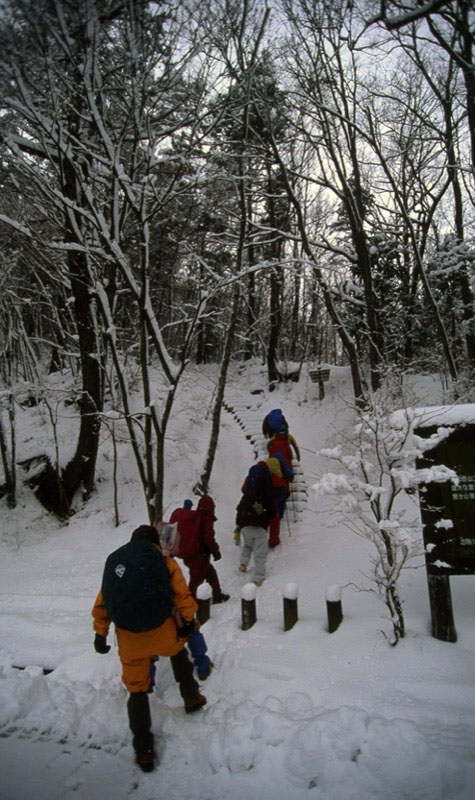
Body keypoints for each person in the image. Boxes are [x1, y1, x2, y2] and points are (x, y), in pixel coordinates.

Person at [92, 524, 206, 773]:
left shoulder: (119, 563)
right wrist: (187, 623)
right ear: (155, 541)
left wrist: (100, 634)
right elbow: (182, 595)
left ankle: (143, 750)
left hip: (130, 640)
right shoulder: (162, 561)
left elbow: (104, 601)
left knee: (137, 690)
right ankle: (191, 696)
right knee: (177, 650)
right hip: (161, 630)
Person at [169, 495, 230, 604]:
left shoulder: (195, 517)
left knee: (210, 573)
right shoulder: (206, 519)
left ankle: (217, 595)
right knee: (196, 581)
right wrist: (215, 550)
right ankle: (189, 603)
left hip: (190, 554)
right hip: (199, 555)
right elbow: (208, 537)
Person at [235, 461, 275, 586]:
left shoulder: (247, 494)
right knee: (259, 552)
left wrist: (238, 525)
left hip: (245, 525)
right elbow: (273, 512)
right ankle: (258, 577)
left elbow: (239, 509)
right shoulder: (266, 494)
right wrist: (266, 516)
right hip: (260, 526)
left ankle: (243, 564)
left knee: (247, 545)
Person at [266, 455, 292, 548]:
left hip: (266, 495)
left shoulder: (267, 465)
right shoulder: (282, 465)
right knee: (276, 516)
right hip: (279, 489)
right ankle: (273, 540)